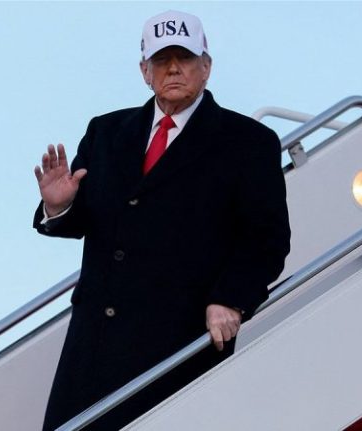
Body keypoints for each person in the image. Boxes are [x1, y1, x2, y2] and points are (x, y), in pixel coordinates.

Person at [34, 10, 290, 431]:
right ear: (144, 71)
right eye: (161, 60)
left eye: (184, 58)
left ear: (206, 66)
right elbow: (88, 220)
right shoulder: (106, 132)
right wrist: (59, 206)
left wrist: (231, 299)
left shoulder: (248, 143)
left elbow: (267, 240)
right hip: (93, 348)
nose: (173, 69)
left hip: (178, 346)